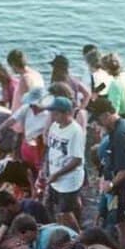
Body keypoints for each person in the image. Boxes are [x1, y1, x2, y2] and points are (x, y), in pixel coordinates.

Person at [90, 96, 125, 249]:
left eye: (98, 120)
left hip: (124, 187)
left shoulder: (120, 134)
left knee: (123, 225)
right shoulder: (123, 124)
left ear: (106, 115)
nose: (98, 125)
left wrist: (110, 184)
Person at [43, 96, 86, 232]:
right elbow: (50, 149)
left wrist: (57, 174)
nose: (53, 116)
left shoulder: (75, 131)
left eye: (56, 113)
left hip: (68, 179)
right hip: (55, 176)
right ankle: (72, 224)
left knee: (64, 212)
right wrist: (46, 168)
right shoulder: (54, 127)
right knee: (56, 205)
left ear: (66, 113)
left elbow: (77, 159)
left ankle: (77, 235)